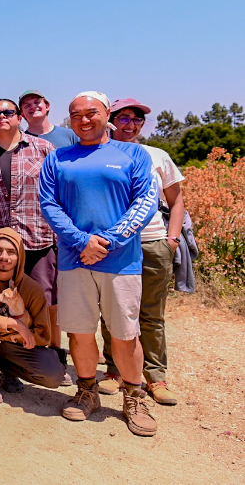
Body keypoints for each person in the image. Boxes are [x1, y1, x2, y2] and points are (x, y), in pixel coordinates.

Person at [40, 91, 159, 437]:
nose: (84, 120)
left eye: (91, 113)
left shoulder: (133, 153)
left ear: (107, 114)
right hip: (74, 260)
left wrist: (105, 242)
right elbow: (50, 205)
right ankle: (87, 389)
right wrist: (81, 242)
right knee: (79, 332)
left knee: (124, 334)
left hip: (121, 262)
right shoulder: (58, 159)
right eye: (76, 115)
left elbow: (145, 202)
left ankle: (134, 396)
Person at [0, 99, 67, 383]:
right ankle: (8, 360)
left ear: (20, 117)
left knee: (45, 301)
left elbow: (57, 192)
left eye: (8, 112)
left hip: (37, 237)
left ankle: (51, 352)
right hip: (0, 244)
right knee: (0, 303)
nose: (2, 117)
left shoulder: (43, 149)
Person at [99, 98, 185, 406]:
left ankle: (155, 377)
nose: (130, 124)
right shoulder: (99, 153)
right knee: (113, 311)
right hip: (115, 244)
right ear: (111, 120)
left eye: (136, 120)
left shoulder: (157, 156)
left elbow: (176, 201)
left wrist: (171, 239)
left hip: (152, 241)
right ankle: (113, 371)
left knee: (151, 314)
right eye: (123, 118)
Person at [0, 228, 66, 403]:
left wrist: (7, 330)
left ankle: (8, 370)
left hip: (16, 347)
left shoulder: (32, 288)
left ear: (20, 256)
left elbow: (43, 336)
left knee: (54, 376)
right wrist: (15, 325)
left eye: (11, 252)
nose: (4, 257)